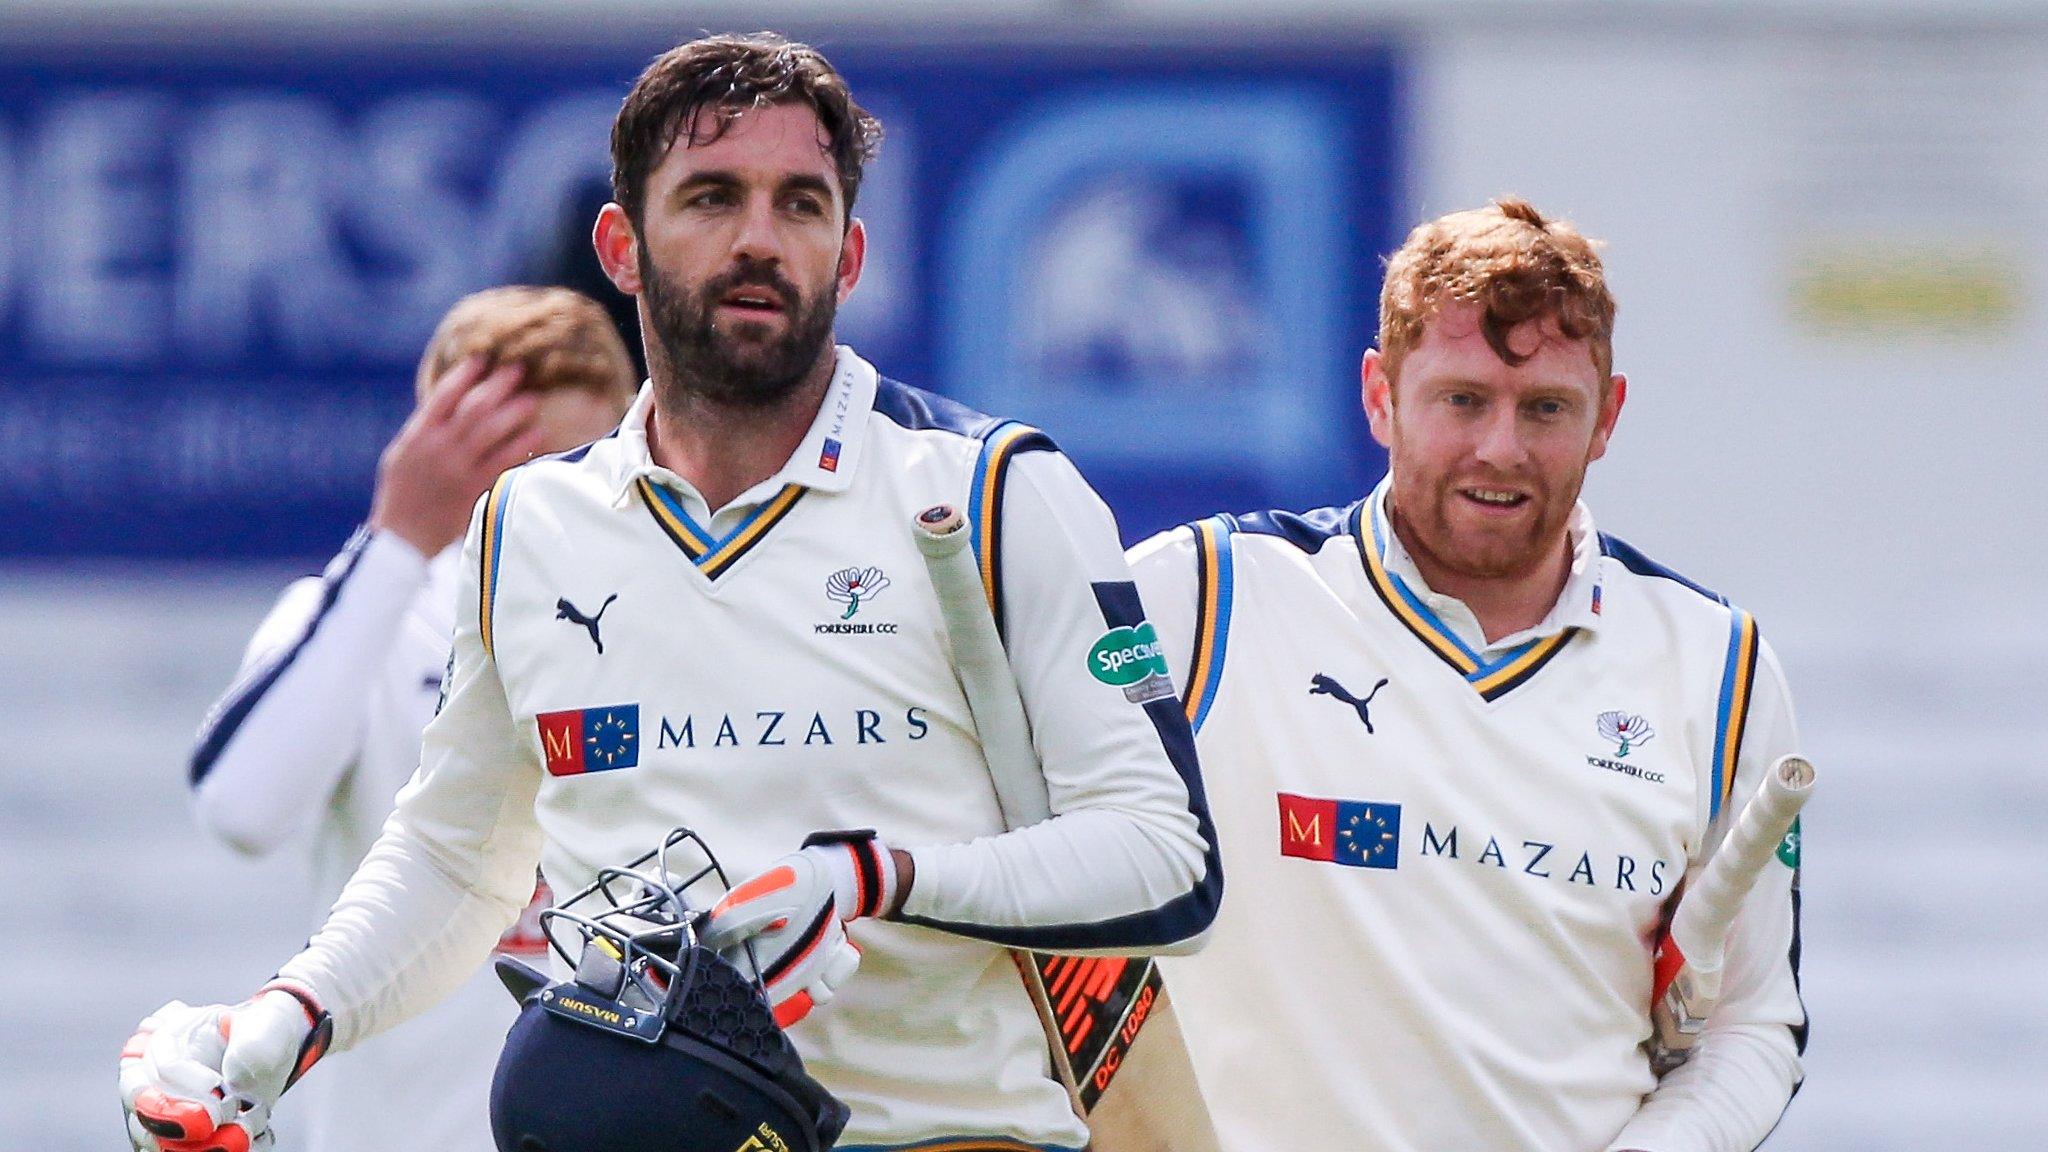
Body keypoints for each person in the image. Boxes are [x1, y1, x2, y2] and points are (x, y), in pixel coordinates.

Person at [123, 32, 1219, 1152]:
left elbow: (1164, 858)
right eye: (709, 198)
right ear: (623, 246)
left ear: (847, 256)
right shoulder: (527, 523)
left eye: (801, 204)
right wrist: (288, 1019)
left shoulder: (992, 488)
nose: (758, 238)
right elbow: (456, 861)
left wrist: (872, 877)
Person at [1128, 198, 1805, 1152]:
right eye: (1462, 399)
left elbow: (1750, 1028)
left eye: (1545, 408)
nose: (1501, 448)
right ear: (1379, 395)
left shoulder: (1715, 665)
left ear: (1606, 416)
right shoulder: (1205, 595)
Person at [180, 285, 640, 1152]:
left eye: (576, 470)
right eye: (508, 473)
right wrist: (396, 539)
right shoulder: (374, 619)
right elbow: (242, 808)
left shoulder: (680, 624)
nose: (539, 515)